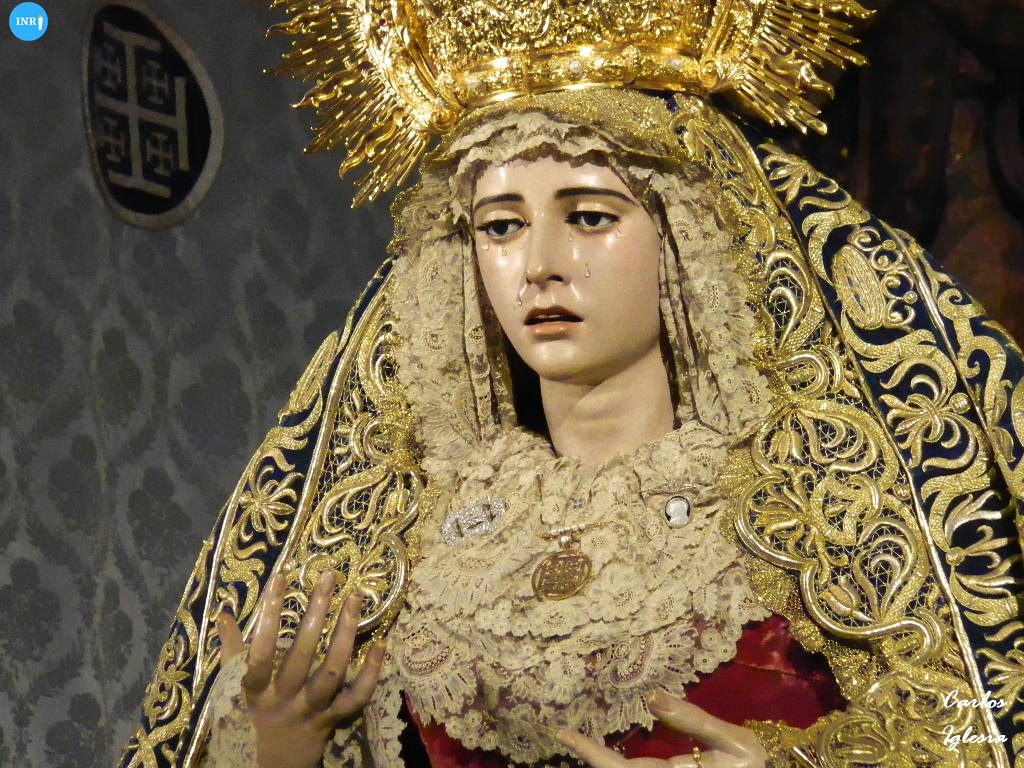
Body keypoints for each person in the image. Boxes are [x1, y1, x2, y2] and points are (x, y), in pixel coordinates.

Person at [118, 2, 1024, 767]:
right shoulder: (403, 543)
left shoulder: (821, 502)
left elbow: (980, 728)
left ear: (686, 238)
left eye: (590, 216)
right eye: (500, 226)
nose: (539, 266)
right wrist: (281, 748)